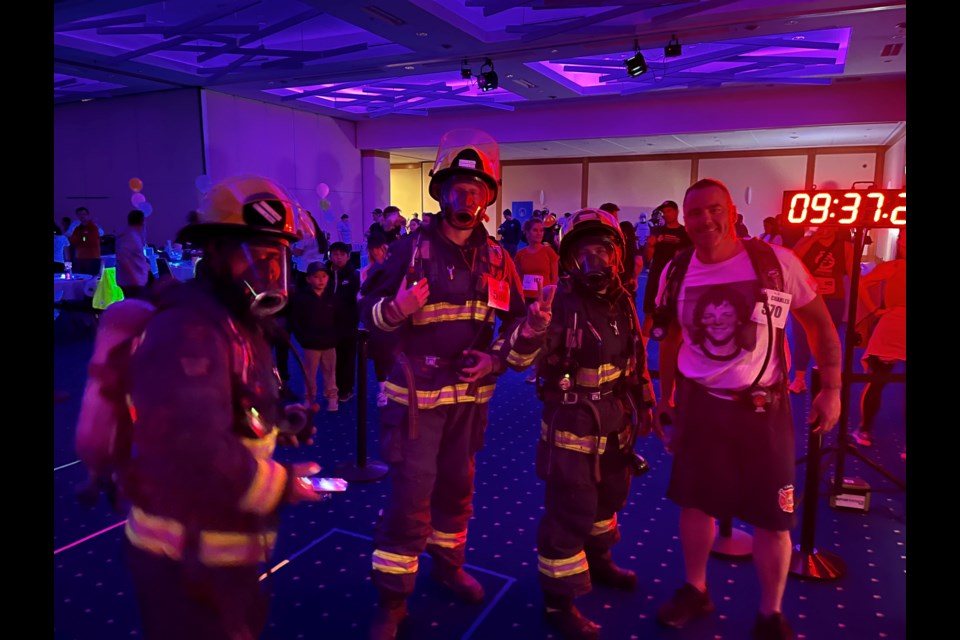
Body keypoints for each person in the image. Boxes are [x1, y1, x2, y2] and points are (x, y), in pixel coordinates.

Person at [105, 175, 325, 640]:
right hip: (185, 557)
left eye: (277, 259)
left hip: (222, 548)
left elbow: (235, 405)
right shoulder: (189, 330)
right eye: (259, 258)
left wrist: (283, 423)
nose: (270, 273)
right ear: (219, 253)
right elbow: (195, 449)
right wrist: (284, 485)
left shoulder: (236, 322)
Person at [359, 129, 550, 640]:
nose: (464, 201)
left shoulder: (496, 259)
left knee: (456, 492)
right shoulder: (408, 250)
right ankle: (393, 599)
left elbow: (512, 329)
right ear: (439, 192)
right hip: (416, 403)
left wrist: (492, 360)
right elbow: (367, 318)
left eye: (475, 191)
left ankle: (446, 566)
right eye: (455, 190)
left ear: (488, 198)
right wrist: (395, 311)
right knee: (410, 497)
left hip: (468, 403)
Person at [652, 178, 842, 640]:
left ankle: (769, 614)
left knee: (772, 517)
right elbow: (671, 338)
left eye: (714, 209)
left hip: (764, 408)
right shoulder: (676, 271)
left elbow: (817, 322)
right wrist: (664, 398)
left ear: (733, 211)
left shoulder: (776, 264)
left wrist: (831, 386)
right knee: (695, 505)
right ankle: (696, 589)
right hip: (700, 408)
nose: (704, 220)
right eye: (694, 212)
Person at [534, 208, 655, 640]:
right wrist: (533, 328)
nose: (595, 261)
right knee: (571, 509)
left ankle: (600, 560)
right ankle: (558, 600)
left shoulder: (622, 297)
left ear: (616, 256)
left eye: (602, 250)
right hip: (572, 424)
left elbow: (636, 354)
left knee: (608, 500)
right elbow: (523, 356)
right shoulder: (559, 301)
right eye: (585, 252)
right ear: (569, 257)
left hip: (616, 420)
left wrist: (646, 401)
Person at [852, 229, 906, 448]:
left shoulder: (894, 267)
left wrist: (875, 310)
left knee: (877, 381)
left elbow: (862, 284)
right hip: (892, 325)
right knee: (877, 381)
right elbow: (862, 283)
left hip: (893, 324)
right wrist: (875, 311)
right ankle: (864, 430)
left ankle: (864, 431)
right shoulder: (893, 267)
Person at [787, 226, 853, 393]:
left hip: (834, 298)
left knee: (828, 339)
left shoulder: (845, 246)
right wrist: (813, 239)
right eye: (821, 224)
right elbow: (792, 260)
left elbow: (853, 273)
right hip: (807, 297)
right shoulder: (806, 242)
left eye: (828, 225)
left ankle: (826, 379)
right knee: (801, 337)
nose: (824, 228)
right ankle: (800, 378)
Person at [288, 261, 340, 412]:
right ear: (308, 279)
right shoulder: (302, 297)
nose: (321, 280)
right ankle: (309, 398)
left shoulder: (332, 296)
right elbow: (295, 320)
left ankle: (332, 397)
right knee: (309, 373)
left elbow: (339, 318)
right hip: (310, 344)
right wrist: (302, 338)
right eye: (316, 277)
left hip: (329, 343)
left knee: (330, 372)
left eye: (324, 276)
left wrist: (335, 336)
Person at [514, 218, 560, 382]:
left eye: (541, 230)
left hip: (544, 299)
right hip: (527, 298)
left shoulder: (549, 252)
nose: (539, 233)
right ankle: (532, 365)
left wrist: (552, 298)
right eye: (535, 230)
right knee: (529, 334)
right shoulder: (520, 254)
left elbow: (554, 278)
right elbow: (518, 278)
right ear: (527, 232)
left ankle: (541, 367)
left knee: (545, 334)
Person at [641, 200, 692, 334]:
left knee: (676, 317)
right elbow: (648, 257)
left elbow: (691, 256)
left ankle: (673, 351)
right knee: (650, 313)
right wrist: (650, 245)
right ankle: (642, 350)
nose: (666, 214)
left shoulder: (685, 233)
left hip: (676, 279)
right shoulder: (657, 231)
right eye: (664, 212)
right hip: (656, 276)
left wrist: (680, 255)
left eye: (669, 211)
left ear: (676, 212)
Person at [359, 232, 395, 408]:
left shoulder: (393, 267)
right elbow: (362, 294)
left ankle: (395, 389)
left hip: (393, 316)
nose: (376, 252)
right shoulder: (367, 271)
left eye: (379, 249)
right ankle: (383, 390)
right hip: (374, 318)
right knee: (380, 356)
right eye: (372, 250)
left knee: (394, 355)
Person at [327, 241, 360, 404]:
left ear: (348, 256)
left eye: (341, 254)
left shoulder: (354, 276)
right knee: (332, 359)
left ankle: (346, 389)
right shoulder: (325, 274)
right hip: (329, 324)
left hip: (348, 324)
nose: (338, 257)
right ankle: (334, 388)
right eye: (335, 254)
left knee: (347, 358)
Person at [115, 209, 151, 300]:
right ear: (142, 221)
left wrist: (144, 265)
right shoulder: (130, 237)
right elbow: (123, 258)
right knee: (135, 307)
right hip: (132, 282)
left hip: (132, 280)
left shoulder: (129, 235)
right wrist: (135, 279)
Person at [69, 206, 104, 275]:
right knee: (80, 278)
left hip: (92, 257)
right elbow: (72, 240)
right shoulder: (77, 228)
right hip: (80, 258)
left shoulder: (93, 228)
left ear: (88, 215)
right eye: (79, 214)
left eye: (83, 214)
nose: (81, 216)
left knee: (91, 279)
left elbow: (91, 241)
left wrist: (81, 239)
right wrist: (83, 238)